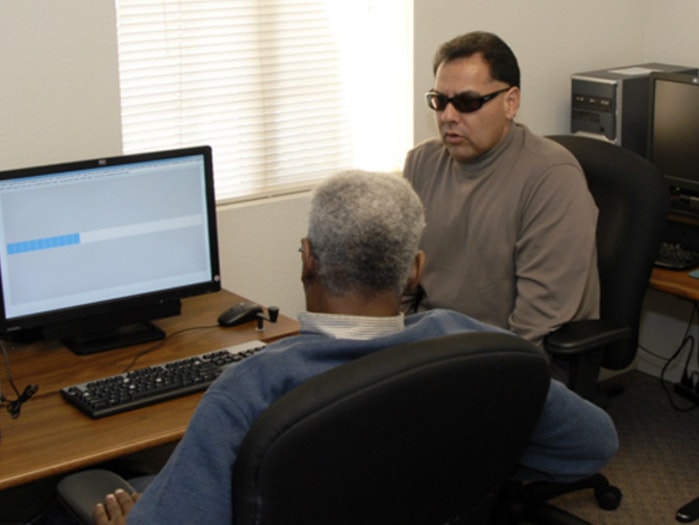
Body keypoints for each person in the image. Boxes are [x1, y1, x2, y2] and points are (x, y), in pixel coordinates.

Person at [92, 170, 617, 525]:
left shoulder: (248, 391)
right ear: (415, 269)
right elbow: (593, 444)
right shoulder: (480, 348)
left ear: (306, 260)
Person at [403, 30, 600, 347]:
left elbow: (538, 322)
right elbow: (401, 283)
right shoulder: (421, 163)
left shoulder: (552, 178)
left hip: (507, 359)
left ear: (511, 102)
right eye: (439, 101)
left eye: (467, 102)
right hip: (432, 347)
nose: (448, 116)